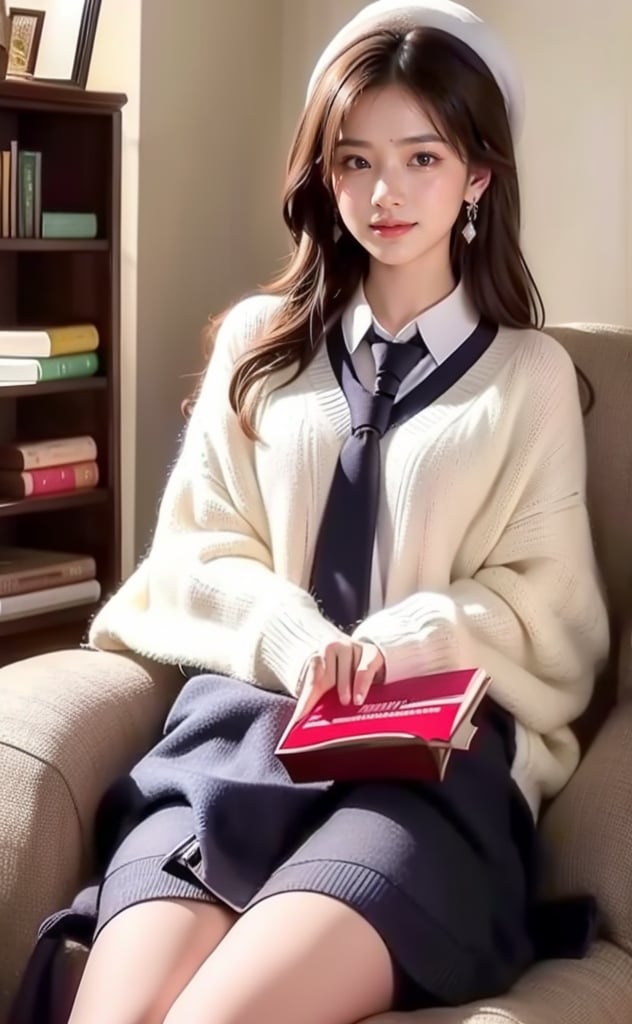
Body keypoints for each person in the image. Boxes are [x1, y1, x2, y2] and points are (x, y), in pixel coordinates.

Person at [15, 2, 609, 1023]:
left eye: (421, 158)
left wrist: (394, 643)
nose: (384, 193)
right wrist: (294, 640)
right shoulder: (262, 342)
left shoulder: (530, 376)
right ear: (321, 175)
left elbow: (548, 606)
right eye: (353, 161)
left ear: (476, 175)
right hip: (244, 731)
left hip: (429, 769)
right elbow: (194, 551)